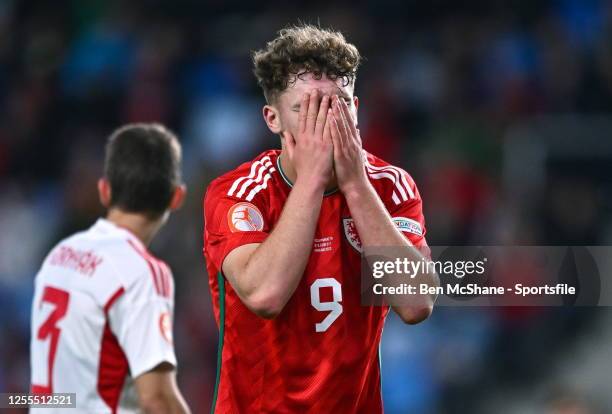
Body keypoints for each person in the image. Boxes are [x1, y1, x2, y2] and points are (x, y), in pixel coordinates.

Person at [203, 24, 437, 413]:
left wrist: (356, 186)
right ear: (272, 119)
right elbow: (265, 295)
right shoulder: (238, 193)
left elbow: (416, 303)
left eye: (338, 104)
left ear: (357, 110)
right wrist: (311, 179)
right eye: (306, 108)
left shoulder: (390, 186)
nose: (325, 121)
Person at [30, 123, 191, 414]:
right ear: (176, 197)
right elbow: (157, 399)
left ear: (104, 190)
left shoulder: (58, 256)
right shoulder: (142, 272)